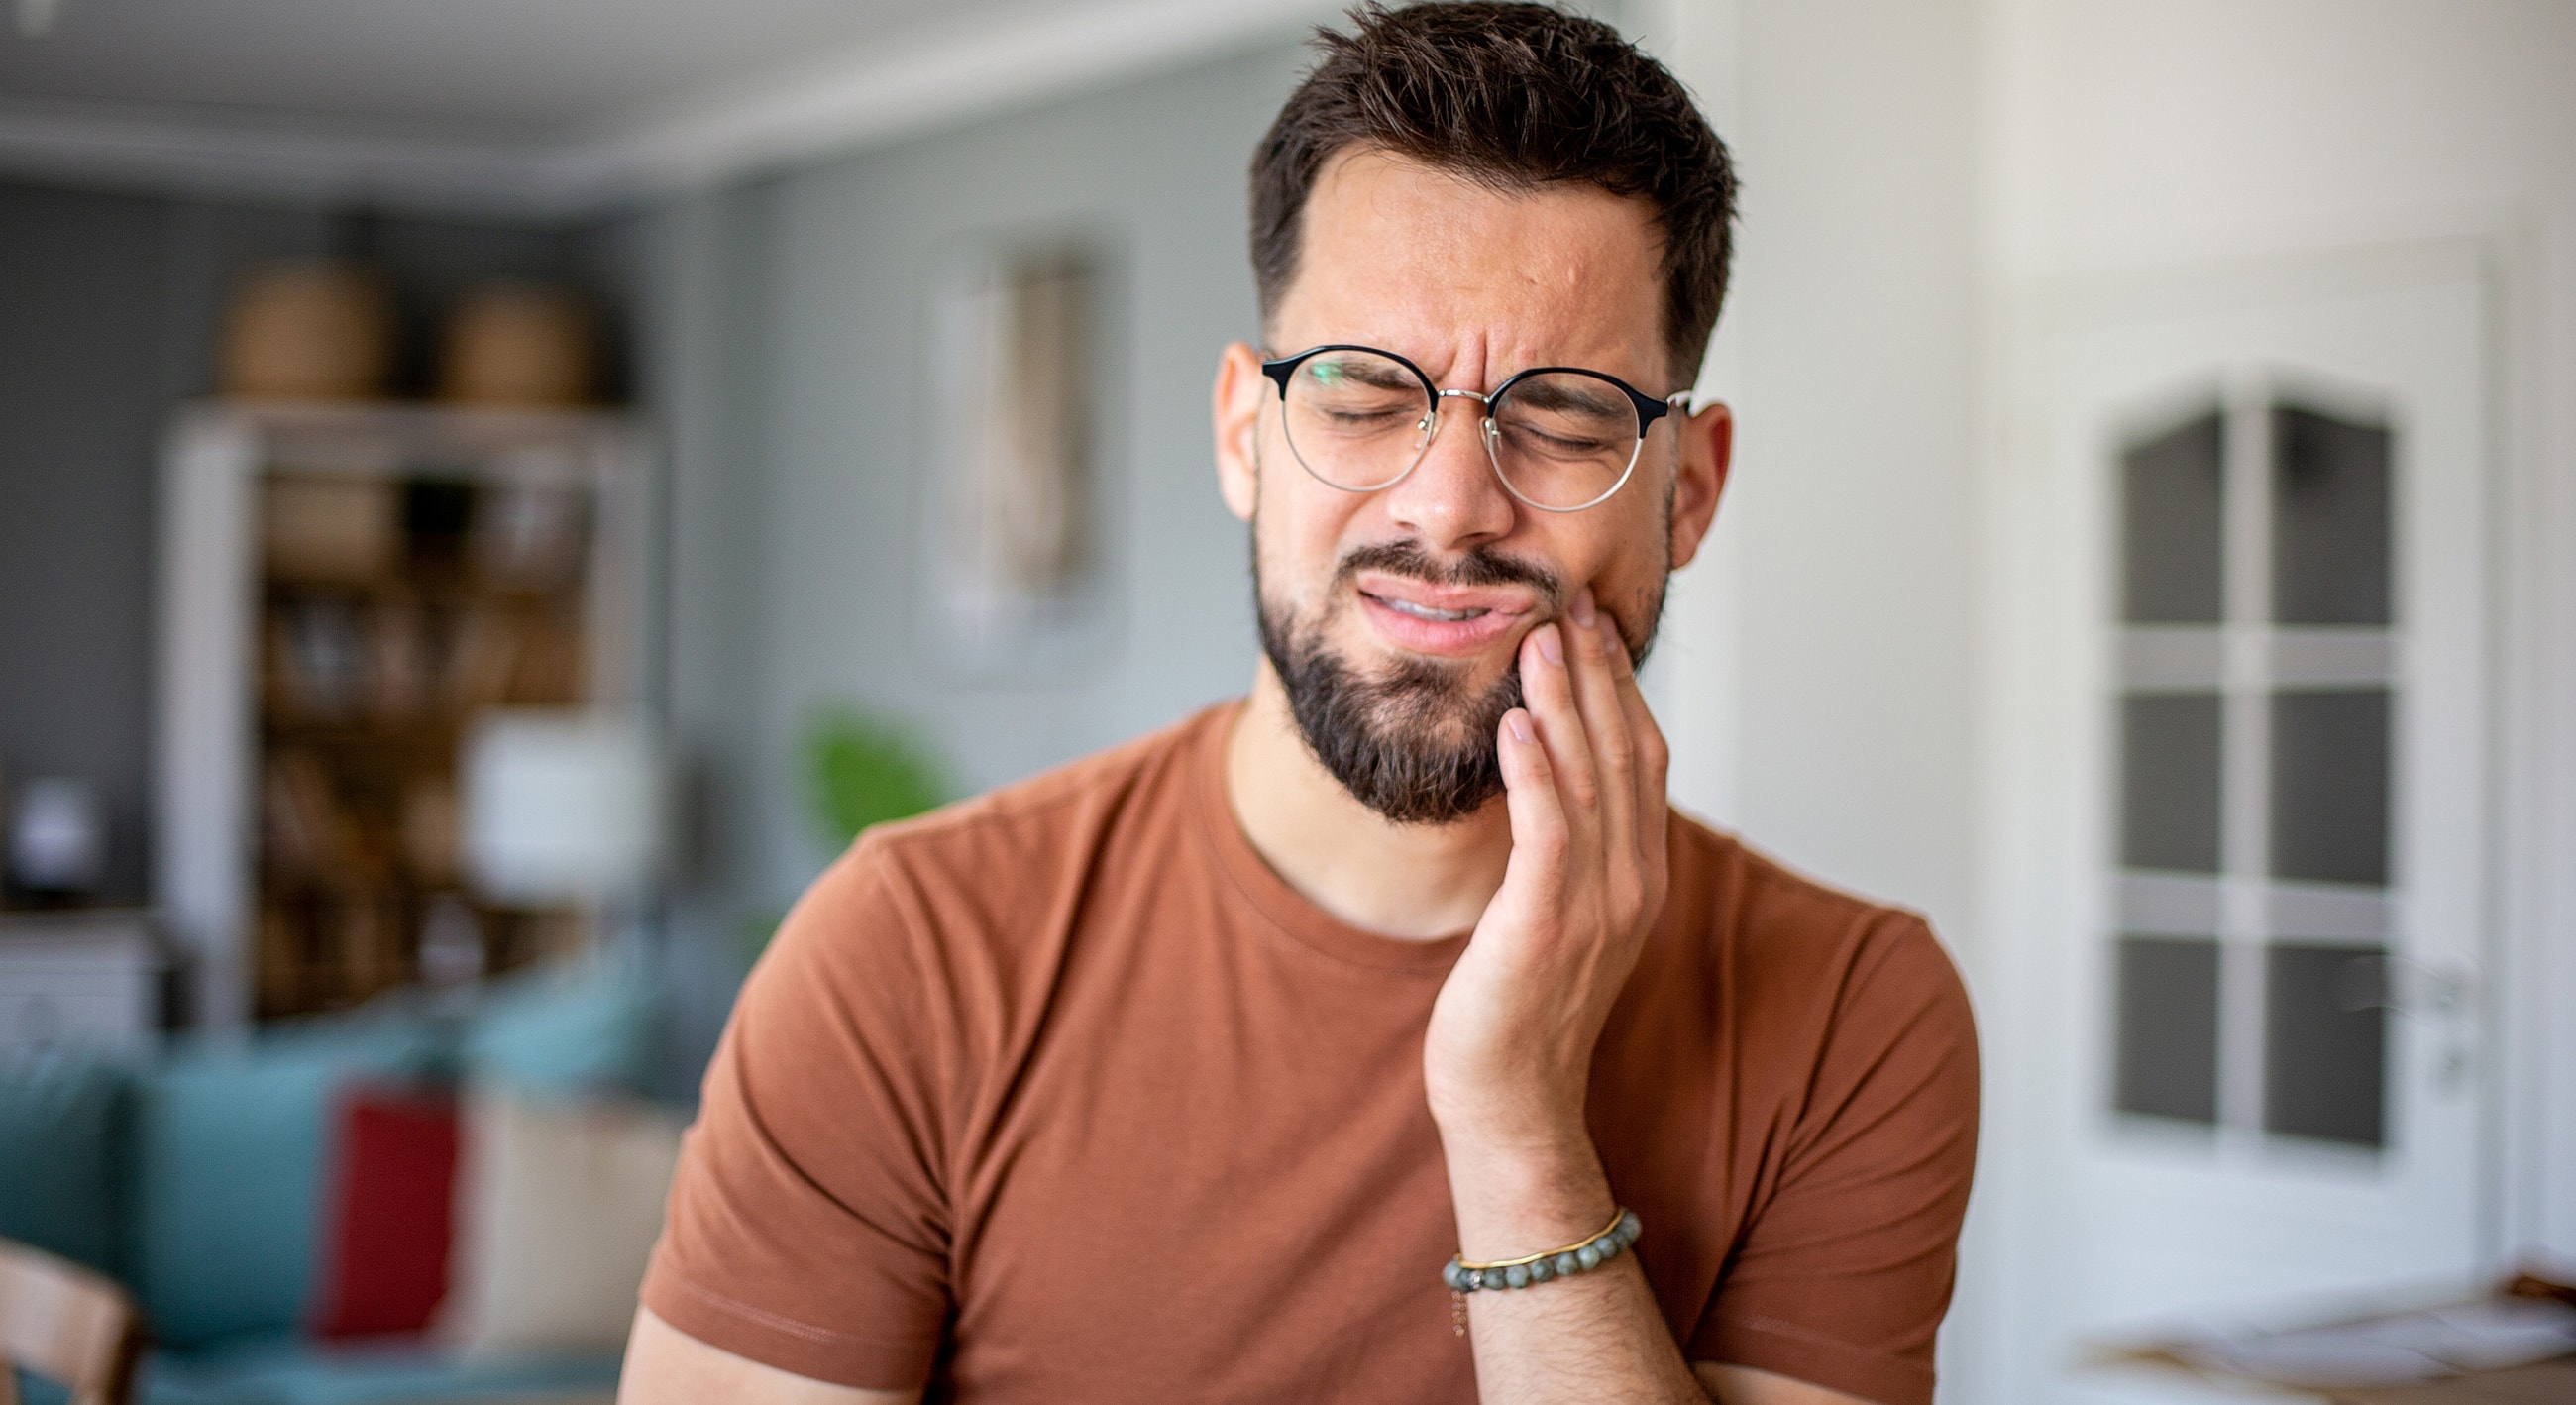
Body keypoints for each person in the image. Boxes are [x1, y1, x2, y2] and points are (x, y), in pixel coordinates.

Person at [619, 4, 1978, 1402]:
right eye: (1365, 394)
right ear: (1242, 434)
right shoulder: (908, 953)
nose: (1449, 506)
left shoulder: (1849, 1016)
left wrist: (1516, 1122)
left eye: (1564, 415)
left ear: (1688, 490)